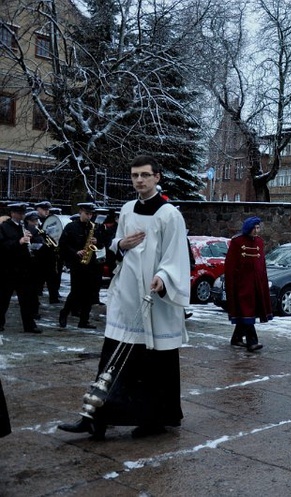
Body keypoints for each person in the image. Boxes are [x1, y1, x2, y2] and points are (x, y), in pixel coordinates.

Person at [57, 154, 191, 440]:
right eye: (134, 175)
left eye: (145, 175)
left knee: (153, 366)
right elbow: (117, 245)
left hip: (154, 301)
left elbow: (177, 255)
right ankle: (95, 417)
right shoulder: (128, 209)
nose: (139, 180)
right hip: (127, 293)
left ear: (157, 177)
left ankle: (153, 419)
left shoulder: (170, 214)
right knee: (112, 359)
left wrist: (164, 277)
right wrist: (119, 243)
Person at [225, 216, 273, 352]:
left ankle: (237, 338)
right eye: (254, 228)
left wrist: (262, 279)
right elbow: (230, 264)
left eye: (258, 228)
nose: (257, 231)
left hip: (256, 282)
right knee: (246, 310)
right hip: (242, 283)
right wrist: (232, 281)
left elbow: (261, 263)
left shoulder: (259, 242)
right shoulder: (237, 242)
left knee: (248, 310)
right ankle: (252, 342)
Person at [58, 202, 104, 330]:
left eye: (91, 214)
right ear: (80, 212)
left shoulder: (95, 227)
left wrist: (97, 241)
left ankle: (84, 320)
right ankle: (64, 313)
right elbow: (63, 244)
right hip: (77, 263)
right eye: (86, 213)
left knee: (89, 293)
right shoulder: (71, 227)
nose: (89, 216)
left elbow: (101, 244)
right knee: (76, 291)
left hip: (91, 263)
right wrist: (75, 252)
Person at [0, 203, 41, 333]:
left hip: (24, 268)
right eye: (19, 213)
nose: (21, 216)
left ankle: (29, 325)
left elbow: (37, 239)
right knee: (3, 298)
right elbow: (3, 246)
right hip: (9, 269)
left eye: (23, 213)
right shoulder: (4, 227)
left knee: (26, 299)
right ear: (12, 213)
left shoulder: (25, 226)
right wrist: (19, 241)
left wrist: (33, 242)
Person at [34, 201, 61, 303]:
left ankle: (53, 296)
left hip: (50, 253)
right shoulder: (34, 220)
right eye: (44, 210)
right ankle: (37, 295)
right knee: (38, 276)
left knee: (52, 275)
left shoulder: (50, 220)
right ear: (38, 209)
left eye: (48, 210)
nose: (46, 212)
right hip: (38, 254)